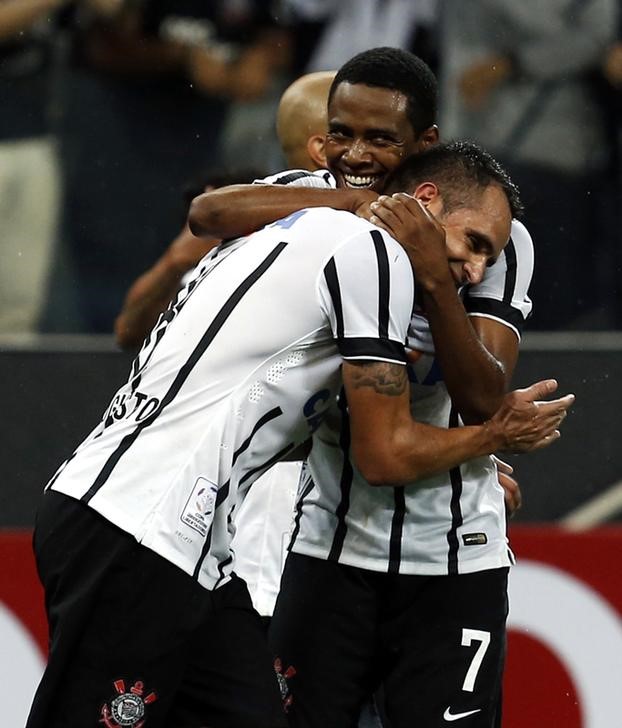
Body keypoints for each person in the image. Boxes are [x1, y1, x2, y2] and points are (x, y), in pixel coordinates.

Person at [26, 137, 572, 728]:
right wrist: (492, 439)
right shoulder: (372, 255)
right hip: (140, 526)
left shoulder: (285, 219)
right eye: (472, 244)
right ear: (425, 199)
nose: (476, 270)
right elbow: (384, 455)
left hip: (185, 542)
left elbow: (266, 380)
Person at [187, 47, 538, 727]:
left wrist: (437, 275)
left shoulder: (493, 237)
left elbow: (483, 398)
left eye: (379, 138)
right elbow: (209, 213)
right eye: (341, 133)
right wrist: (357, 202)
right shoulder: (322, 208)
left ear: (423, 146)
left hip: (455, 558)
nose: (353, 153)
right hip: (329, 547)